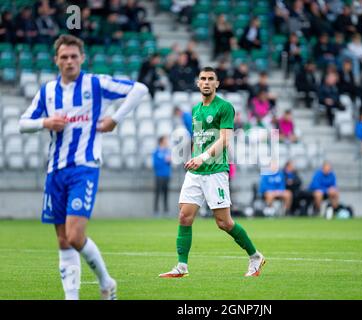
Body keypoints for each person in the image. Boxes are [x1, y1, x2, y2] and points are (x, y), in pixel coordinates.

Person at [18, 35, 148, 300]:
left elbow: (140, 89)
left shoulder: (95, 83)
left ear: (82, 58)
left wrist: (115, 119)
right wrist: (45, 122)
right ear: (56, 60)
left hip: (84, 168)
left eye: (73, 56)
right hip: (55, 171)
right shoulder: (47, 92)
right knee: (63, 240)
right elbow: (22, 123)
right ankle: (72, 297)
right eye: (64, 57)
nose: (69, 61)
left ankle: (106, 282)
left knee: (75, 235)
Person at [159, 67, 265, 278]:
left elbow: (225, 139)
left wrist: (203, 158)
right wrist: (193, 157)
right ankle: (182, 266)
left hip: (215, 171)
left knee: (224, 223)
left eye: (210, 79)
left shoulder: (225, 107)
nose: (206, 82)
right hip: (196, 172)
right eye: (203, 79)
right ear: (198, 83)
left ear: (217, 84)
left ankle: (255, 256)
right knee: (184, 216)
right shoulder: (196, 110)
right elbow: (200, 140)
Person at [153, 135, 172, 215]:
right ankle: (156, 211)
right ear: (161, 141)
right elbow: (155, 164)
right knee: (157, 193)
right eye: (165, 140)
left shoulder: (168, 151)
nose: (167, 142)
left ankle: (166, 211)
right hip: (159, 175)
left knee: (166, 193)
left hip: (166, 175)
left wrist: (169, 160)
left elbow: (170, 162)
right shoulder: (156, 152)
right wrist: (165, 160)